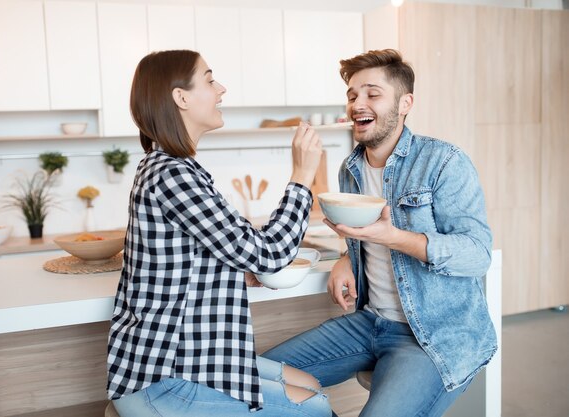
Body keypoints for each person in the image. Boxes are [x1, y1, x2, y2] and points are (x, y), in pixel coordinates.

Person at [263, 49, 497, 417]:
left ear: (405, 103)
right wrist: (346, 256)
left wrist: (392, 237)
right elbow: (363, 236)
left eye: (373, 93)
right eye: (353, 95)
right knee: (252, 379)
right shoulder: (349, 169)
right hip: (369, 322)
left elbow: (476, 254)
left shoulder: (444, 162)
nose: (359, 103)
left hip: (431, 336)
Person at [106, 49, 334, 417]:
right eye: (210, 80)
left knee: (310, 384)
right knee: (316, 407)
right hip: (162, 377)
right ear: (181, 97)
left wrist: (235, 269)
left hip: (195, 356)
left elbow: (225, 249)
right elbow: (269, 253)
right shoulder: (172, 175)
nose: (221, 88)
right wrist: (303, 176)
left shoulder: (179, 168)